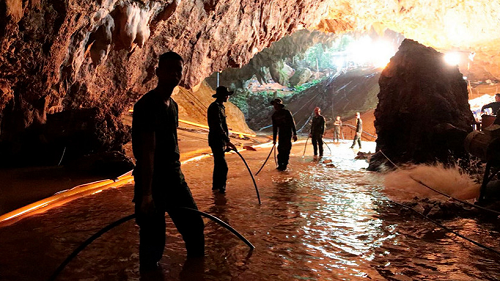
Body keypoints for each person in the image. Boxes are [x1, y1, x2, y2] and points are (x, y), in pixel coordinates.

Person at [132, 51, 205, 273]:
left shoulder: (172, 105)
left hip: (175, 178)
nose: (175, 74)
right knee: (153, 244)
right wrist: (146, 194)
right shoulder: (147, 104)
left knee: (194, 228)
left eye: (178, 70)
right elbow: (148, 150)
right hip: (153, 181)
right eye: (169, 69)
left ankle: (196, 274)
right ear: (157, 72)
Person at [207, 86, 237, 193]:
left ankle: (216, 188)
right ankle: (221, 189)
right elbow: (217, 126)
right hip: (216, 140)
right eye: (226, 95)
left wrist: (226, 142)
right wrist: (227, 141)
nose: (228, 97)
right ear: (222, 96)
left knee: (219, 164)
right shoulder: (215, 107)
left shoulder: (220, 107)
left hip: (220, 140)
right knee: (223, 166)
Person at [271, 98, 297, 171]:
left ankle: (284, 164)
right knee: (280, 149)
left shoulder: (286, 112)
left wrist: (295, 134)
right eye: (274, 105)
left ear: (279, 105)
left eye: (276, 105)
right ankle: (280, 164)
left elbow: (292, 123)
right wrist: (274, 139)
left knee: (286, 149)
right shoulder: (274, 115)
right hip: (281, 134)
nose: (274, 106)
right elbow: (275, 128)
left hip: (288, 133)